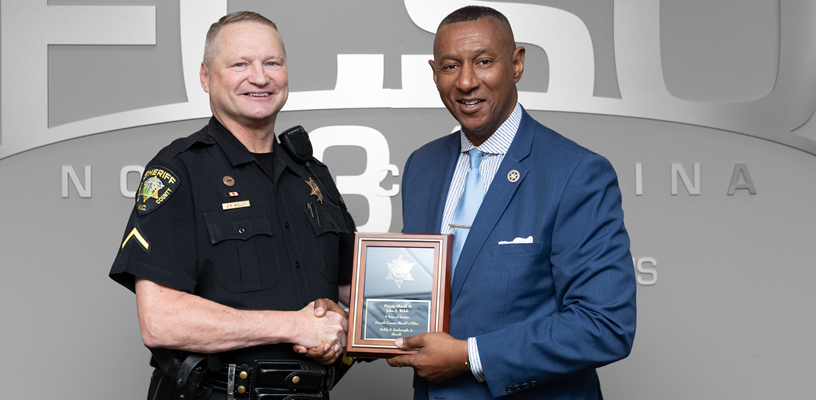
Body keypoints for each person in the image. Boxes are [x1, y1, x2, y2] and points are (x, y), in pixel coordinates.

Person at [388, 6, 636, 399]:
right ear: (435, 73)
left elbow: (604, 325)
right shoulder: (422, 166)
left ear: (517, 63)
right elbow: (419, 293)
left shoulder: (577, 173)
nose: (466, 81)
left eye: (484, 62)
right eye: (451, 66)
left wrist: (470, 356)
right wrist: (354, 316)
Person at [109, 11, 354, 400]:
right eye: (240, 64)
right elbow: (161, 320)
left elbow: (353, 292)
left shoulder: (313, 175)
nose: (260, 77)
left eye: (272, 63)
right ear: (206, 77)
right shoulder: (180, 169)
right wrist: (296, 326)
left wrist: (340, 323)